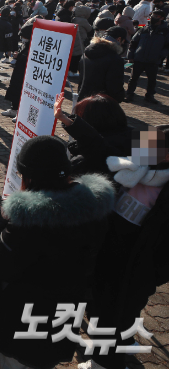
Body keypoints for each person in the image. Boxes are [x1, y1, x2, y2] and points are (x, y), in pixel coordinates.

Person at [0, 135, 115, 369]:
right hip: (67, 309)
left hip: (25, 315)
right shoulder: (95, 207)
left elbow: (0, 264)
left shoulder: (27, 221)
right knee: (48, 360)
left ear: (29, 176)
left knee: (15, 362)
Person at [80, 125, 169, 369]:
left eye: (153, 148)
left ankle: (103, 364)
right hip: (110, 255)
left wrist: (150, 274)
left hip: (135, 269)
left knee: (114, 316)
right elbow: (104, 149)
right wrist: (74, 123)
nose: (143, 151)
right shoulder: (137, 168)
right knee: (111, 314)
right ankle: (119, 348)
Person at [54, 93, 133, 181]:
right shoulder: (145, 138)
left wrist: (65, 119)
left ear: (87, 121)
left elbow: (99, 146)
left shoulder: (84, 160)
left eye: (79, 116)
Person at [126, 9, 169, 104]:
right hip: (139, 58)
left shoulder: (165, 31)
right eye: (152, 15)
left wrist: (160, 56)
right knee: (133, 78)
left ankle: (149, 96)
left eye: (155, 16)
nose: (152, 17)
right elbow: (133, 43)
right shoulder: (144, 29)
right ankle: (129, 94)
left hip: (153, 60)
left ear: (161, 18)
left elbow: (167, 47)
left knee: (152, 80)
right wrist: (131, 56)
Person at [79, 26, 127, 103]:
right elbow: (114, 85)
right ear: (119, 39)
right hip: (102, 103)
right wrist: (120, 96)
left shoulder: (87, 53)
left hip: (83, 99)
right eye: (123, 41)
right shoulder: (115, 59)